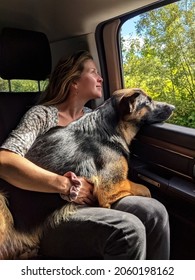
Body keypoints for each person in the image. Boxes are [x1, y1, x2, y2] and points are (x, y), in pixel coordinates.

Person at [0, 50, 170, 259]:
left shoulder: (96, 119)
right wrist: (66, 185)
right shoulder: (42, 115)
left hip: (92, 199)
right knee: (128, 230)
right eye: (93, 72)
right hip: (50, 213)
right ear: (74, 82)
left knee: (155, 212)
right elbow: (5, 161)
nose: (101, 78)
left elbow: (105, 180)